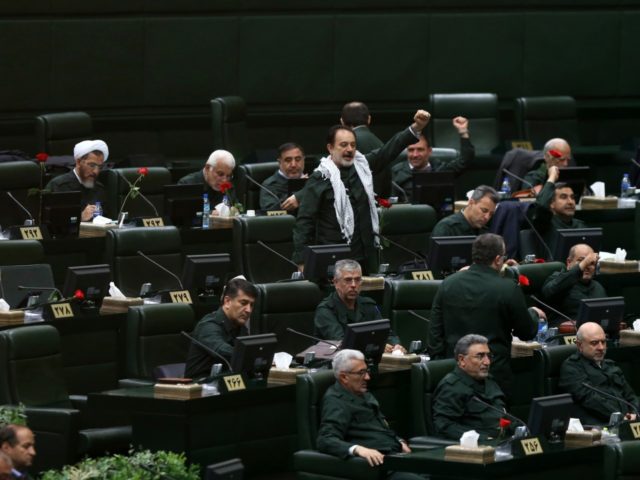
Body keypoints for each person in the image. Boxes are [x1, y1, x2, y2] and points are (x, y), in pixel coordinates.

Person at [293, 109, 431, 273]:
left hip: (365, 254)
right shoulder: (320, 178)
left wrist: (416, 127)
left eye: (353, 145)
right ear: (330, 148)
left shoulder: (362, 166)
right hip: (334, 256)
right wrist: (301, 260)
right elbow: (304, 222)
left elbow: (388, 150)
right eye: (343, 145)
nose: (350, 149)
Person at [428, 233, 545, 396]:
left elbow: (435, 333)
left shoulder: (447, 284)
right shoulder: (508, 288)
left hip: (454, 373)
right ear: (498, 259)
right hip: (493, 375)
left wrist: (440, 368)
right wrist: (532, 313)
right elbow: (526, 332)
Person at [316, 349, 424, 480]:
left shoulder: (364, 394)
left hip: (397, 457)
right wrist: (358, 449)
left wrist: (399, 441)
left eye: (366, 371)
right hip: (379, 468)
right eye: (361, 373)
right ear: (344, 377)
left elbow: (380, 428)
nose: (368, 377)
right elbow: (325, 440)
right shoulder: (336, 401)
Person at [314, 259, 405, 353]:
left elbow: (386, 333)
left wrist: (396, 345)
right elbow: (343, 343)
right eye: (348, 280)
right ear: (336, 282)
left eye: (357, 280)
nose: (353, 285)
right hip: (331, 363)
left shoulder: (368, 305)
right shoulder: (325, 310)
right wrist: (377, 345)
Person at [559, 322, 639, 425]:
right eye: (594, 343)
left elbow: (630, 396)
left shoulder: (610, 365)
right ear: (579, 345)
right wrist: (621, 417)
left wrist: (635, 413)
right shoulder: (571, 368)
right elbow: (590, 399)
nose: (601, 347)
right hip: (599, 425)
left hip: (626, 421)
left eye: (603, 342)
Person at [433, 334, 509, 441]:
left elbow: (502, 414)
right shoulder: (451, 387)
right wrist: (482, 439)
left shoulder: (489, 381)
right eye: (480, 356)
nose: (487, 362)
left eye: (489, 356)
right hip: (477, 448)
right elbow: (445, 426)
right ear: (462, 360)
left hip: (503, 441)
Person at [184, 277, 256, 378]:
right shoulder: (208, 326)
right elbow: (223, 351)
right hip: (201, 388)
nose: (248, 310)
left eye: (251, 305)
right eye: (243, 303)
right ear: (227, 301)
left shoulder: (241, 327)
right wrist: (255, 357)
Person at [391, 117, 474, 203]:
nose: (415, 155)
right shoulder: (396, 172)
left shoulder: (440, 169)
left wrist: (463, 132)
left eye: (420, 150)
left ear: (429, 151)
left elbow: (465, 159)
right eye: (411, 150)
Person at [541, 244, 607, 327]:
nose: (587, 266)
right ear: (569, 262)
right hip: (564, 334)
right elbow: (548, 291)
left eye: (592, 263)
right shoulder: (558, 278)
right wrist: (584, 264)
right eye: (581, 260)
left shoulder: (598, 287)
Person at [44, 139, 109, 222]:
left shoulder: (100, 189)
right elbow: (49, 222)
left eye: (100, 167)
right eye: (92, 165)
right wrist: (80, 217)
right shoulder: (58, 186)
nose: (96, 171)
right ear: (78, 162)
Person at [431, 185, 498, 237]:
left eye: (491, 214)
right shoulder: (447, 228)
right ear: (471, 203)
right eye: (484, 210)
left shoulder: (486, 231)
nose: (487, 217)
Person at [260, 142, 307, 213]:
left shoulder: (314, 181)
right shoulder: (269, 185)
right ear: (280, 162)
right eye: (288, 160)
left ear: (303, 160)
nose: (293, 165)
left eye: (298, 159)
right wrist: (299, 192)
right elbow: (268, 212)